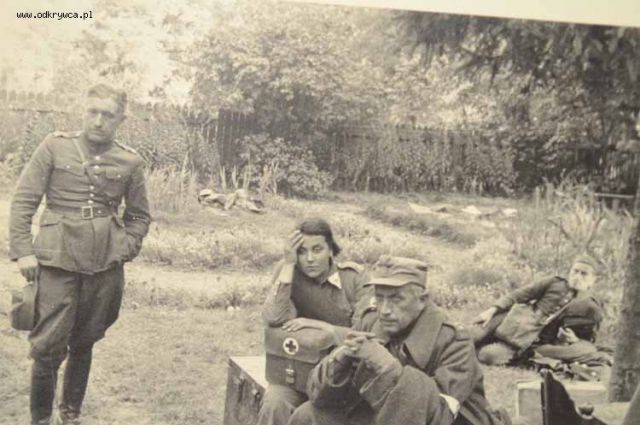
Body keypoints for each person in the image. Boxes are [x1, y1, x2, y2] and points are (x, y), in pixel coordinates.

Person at [9, 83, 151, 425]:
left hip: (104, 264)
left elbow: (138, 216)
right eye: (93, 112)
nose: (98, 121)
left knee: (85, 341)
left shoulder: (130, 161)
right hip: (57, 259)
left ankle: (70, 415)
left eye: (108, 115)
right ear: (83, 111)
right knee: (46, 346)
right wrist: (24, 252)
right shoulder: (54, 146)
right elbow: (24, 201)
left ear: (121, 119)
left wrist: (125, 247)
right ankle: (41, 419)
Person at [288, 255, 505, 425]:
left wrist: (386, 366)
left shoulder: (455, 342)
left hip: (451, 421)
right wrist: (339, 361)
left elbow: (438, 416)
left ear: (422, 300)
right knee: (308, 416)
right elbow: (323, 397)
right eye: (379, 298)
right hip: (385, 415)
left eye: (396, 299)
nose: (384, 310)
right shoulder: (371, 322)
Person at [257, 218, 371, 425]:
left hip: (341, 377)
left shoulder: (353, 278)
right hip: (295, 372)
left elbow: (366, 333)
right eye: (302, 251)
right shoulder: (290, 272)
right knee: (275, 403)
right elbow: (273, 317)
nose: (309, 259)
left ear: (331, 250)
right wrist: (288, 264)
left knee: (313, 414)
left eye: (317, 250)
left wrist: (324, 328)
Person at [470, 254, 603, 367]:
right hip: (515, 318)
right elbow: (518, 295)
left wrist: (575, 339)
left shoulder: (590, 306)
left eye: (584, 274)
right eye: (575, 271)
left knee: (487, 356)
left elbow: (588, 339)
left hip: (531, 339)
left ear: (593, 279)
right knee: (472, 334)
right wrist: (492, 310)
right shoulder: (554, 282)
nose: (577, 276)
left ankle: (509, 352)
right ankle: (475, 342)